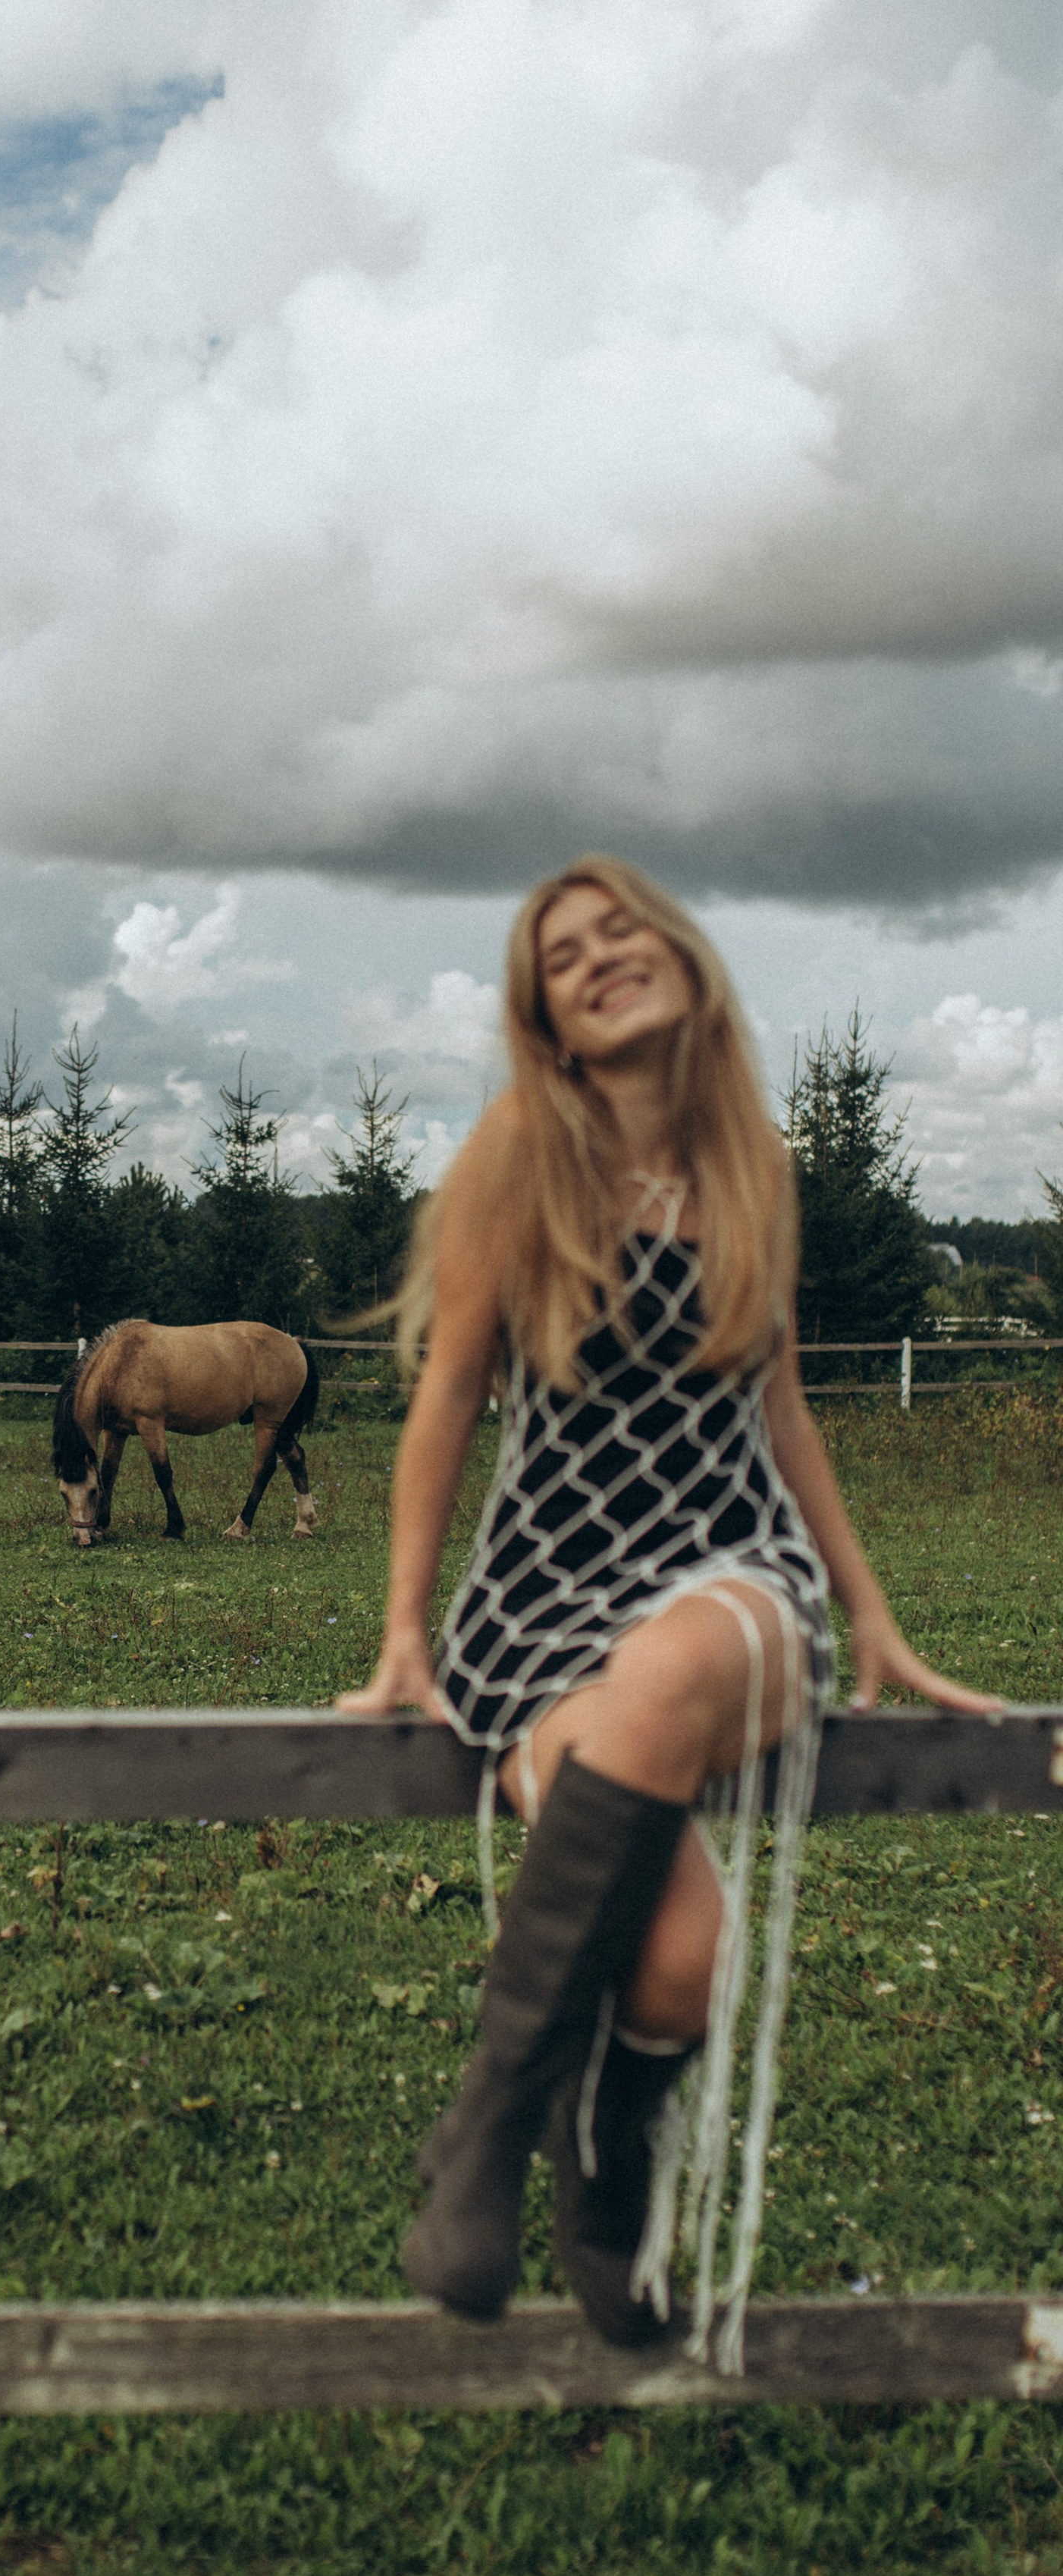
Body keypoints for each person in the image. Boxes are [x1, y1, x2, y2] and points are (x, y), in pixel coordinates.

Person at [338, 855, 994, 2357]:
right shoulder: (525, 1149)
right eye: (560, 955)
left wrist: (869, 1607)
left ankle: (478, 2133)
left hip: (735, 1568)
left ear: (684, 963)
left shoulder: (750, 1156)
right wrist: (400, 1624)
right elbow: (445, 1396)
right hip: (546, 1593)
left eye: (619, 929)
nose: (595, 956)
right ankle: (596, 2164)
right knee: (676, 1953)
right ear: (549, 1024)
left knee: (691, 1646)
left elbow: (778, 1402)